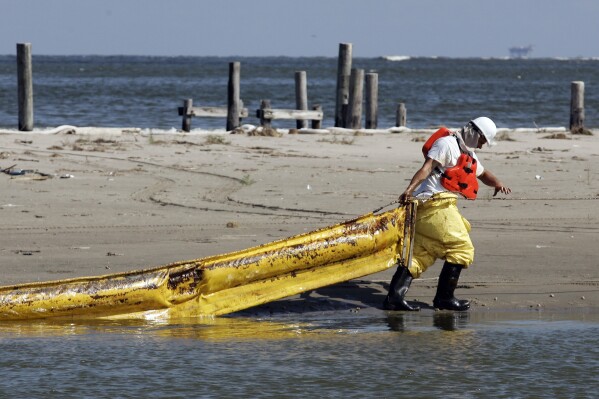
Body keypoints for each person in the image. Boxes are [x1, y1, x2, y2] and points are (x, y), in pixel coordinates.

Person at [384, 117, 511, 311]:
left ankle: (394, 297)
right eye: (482, 141)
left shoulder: (468, 153)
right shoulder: (446, 144)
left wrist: (498, 184)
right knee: (462, 249)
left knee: (421, 252)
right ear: (474, 133)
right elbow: (427, 168)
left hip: (435, 208)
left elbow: (483, 174)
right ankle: (444, 298)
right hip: (434, 205)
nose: (482, 146)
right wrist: (409, 189)